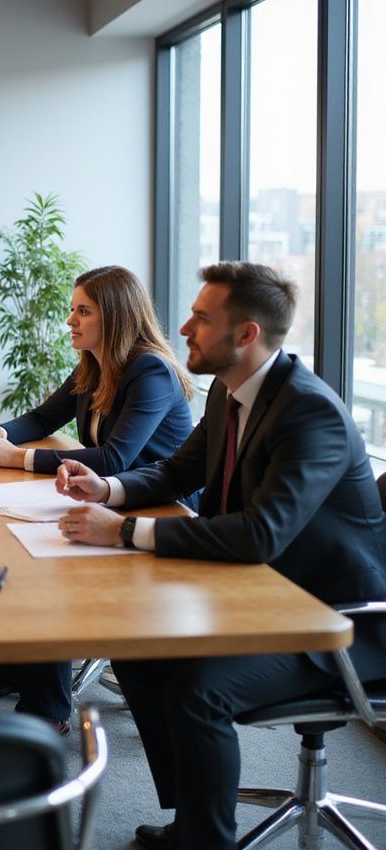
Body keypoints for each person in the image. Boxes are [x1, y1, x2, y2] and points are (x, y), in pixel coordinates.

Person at [52, 262, 386, 850]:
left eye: (202, 319)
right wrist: (109, 490)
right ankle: (197, 819)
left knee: (198, 689)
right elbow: (179, 471)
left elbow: (261, 535)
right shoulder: (227, 392)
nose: (183, 327)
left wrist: (125, 534)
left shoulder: (309, 413)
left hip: (334, 621)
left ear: (247, 334)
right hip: (261, 593)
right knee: (139, 647)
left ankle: (207, 840)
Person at [0, 265, 196, 732]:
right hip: (108, 497)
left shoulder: (150, 370)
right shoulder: (93, 363)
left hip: (159, 507)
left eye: (83, 311)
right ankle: (18, 669)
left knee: (46, 565)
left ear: (117, 317)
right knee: (11, 542)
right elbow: (42, 418)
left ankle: (47, 706)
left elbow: (116, 456)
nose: (70, 320)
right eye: (72, 309)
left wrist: (17, 459)